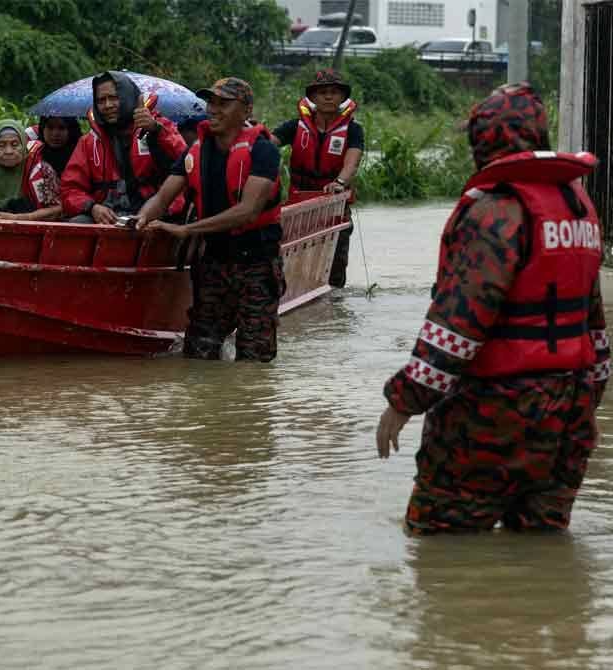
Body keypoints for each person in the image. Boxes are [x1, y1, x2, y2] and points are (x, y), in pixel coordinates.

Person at [375, 83, 609, 535]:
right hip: (569, 412)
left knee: (440, 540)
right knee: (541, 542)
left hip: (495, 411)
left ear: (484, 141)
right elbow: (593, 322)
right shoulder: (578, 208)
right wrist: (587, 398)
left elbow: (458, 325)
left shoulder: (495, 212)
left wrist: (403, 401)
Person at [135, 77, 284, 362]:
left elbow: (248, 210)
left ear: (246, 110)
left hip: (256, 263)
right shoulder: (195, 151)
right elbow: (163, 198)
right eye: (211, 102)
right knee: (198, 354)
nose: (214, 109)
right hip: (213, 262)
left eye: (224, 103)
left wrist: (187, 229)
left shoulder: (263, 150)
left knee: (254, 359)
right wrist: (140, 219)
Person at [273, 68, 363, 287]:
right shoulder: (294, 126)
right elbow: (267, 143)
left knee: (334, 273)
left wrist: (340, 182)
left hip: (335, 206)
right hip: (299, 207)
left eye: (334, 92)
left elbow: (352, 161)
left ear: (343, 97)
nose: (328, 96)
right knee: (293, 264)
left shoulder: (353, 130)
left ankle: (332, 310)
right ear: (312, 97)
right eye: (322, 92)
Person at [61, 70, 188, 225]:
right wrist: (92, 207)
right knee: (77, 223)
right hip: (110, 217)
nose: (107, 105)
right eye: (101, 100)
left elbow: (185, 163)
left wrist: (156, 130)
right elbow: (69, 189)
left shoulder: (158, 126)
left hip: (156, 215)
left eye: (114, 98)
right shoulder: (89, 142)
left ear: (127, 96)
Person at [0, 119, 62, 221]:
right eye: (1, 145)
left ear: (23, 146)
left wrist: (18, 218)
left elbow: (57, 209)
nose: (9, 151)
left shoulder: (41, 170)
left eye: (15, 144)